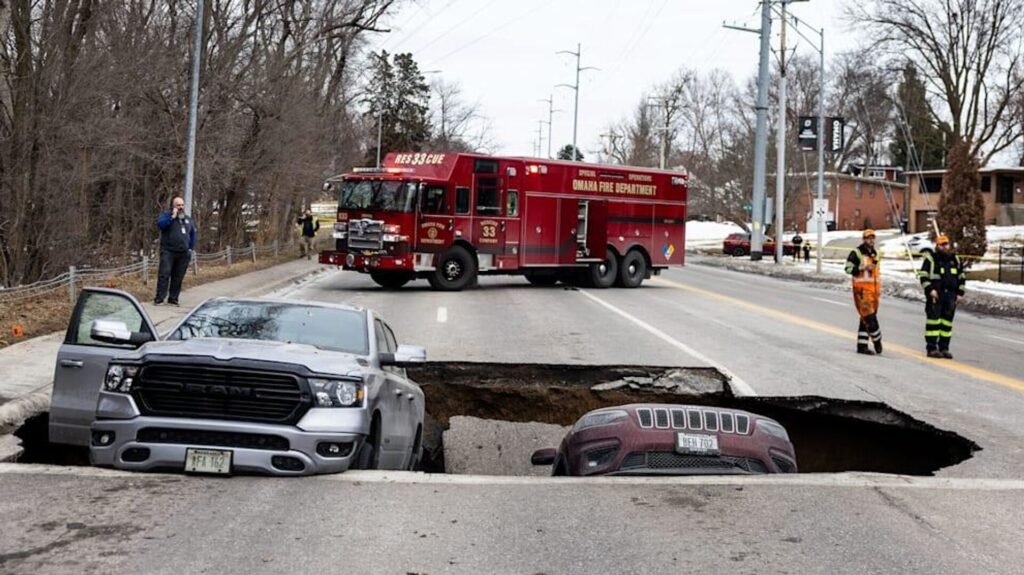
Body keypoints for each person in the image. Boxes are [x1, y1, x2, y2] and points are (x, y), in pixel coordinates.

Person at [919, 235, 965, 359]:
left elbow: (961, 277)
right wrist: (930, 290)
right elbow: (923, 276)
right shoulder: (931, 259)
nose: (945, 247)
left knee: (947, 324)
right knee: (933, 323)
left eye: (946, 244)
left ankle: (944, 348)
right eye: (942, 245)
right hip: (936, 296)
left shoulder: (955, 260)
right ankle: (932, 348)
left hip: (950, 296)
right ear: (937, 246)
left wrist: (960, 293)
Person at [845, 229, 883, 355]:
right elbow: (848, 268)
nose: (871, 240)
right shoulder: (857, 253)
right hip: (862, 290)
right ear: (864, 239)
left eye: (873, 238)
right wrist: (862, 268)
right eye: (868, 238)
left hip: (874, 291)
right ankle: (877, 340)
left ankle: (862, 345)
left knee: (865, 318)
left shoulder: (875, 254)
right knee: (869, 317)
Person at [155, 197, 196, 306]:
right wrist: (172, 217)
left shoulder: (187, 219)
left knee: (178, 276)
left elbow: (192, 234)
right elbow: (161, 225)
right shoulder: (166, 216)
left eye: (182, 205)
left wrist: (190, 248)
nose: (180, 207)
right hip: (168, 251)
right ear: (173, 206)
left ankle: (173, 298)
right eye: (178, 205)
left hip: (183, 253)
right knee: (164, 274)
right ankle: (159, 298)